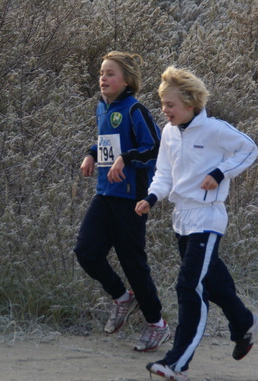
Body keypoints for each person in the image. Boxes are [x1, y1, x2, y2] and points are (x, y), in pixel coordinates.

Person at [135, 66, 258, 381]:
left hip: (208, 218)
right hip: (182, 218)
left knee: (189, 286)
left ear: (191, 103)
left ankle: (176, 364)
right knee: (212, 282)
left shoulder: (214, 130)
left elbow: (249, 149)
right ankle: (245, 321)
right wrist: (151, 198)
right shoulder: (168, 132)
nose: (165, 110)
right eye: (163, 104)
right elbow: (164, 174)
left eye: (171, 105)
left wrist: (221, 173)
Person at [74, 51, 170, 352]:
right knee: (86, 252)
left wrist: (125, 160)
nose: (103, 78)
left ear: (127, 80)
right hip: (104, 194)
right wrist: (91, 153)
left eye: (110, 73)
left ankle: (157, 324)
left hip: (131, 198)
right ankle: (121, 298)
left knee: (133, 264)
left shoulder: (135, 110)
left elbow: (154, 148)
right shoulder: (102, 108)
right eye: (101, 73)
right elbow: (106, 140)